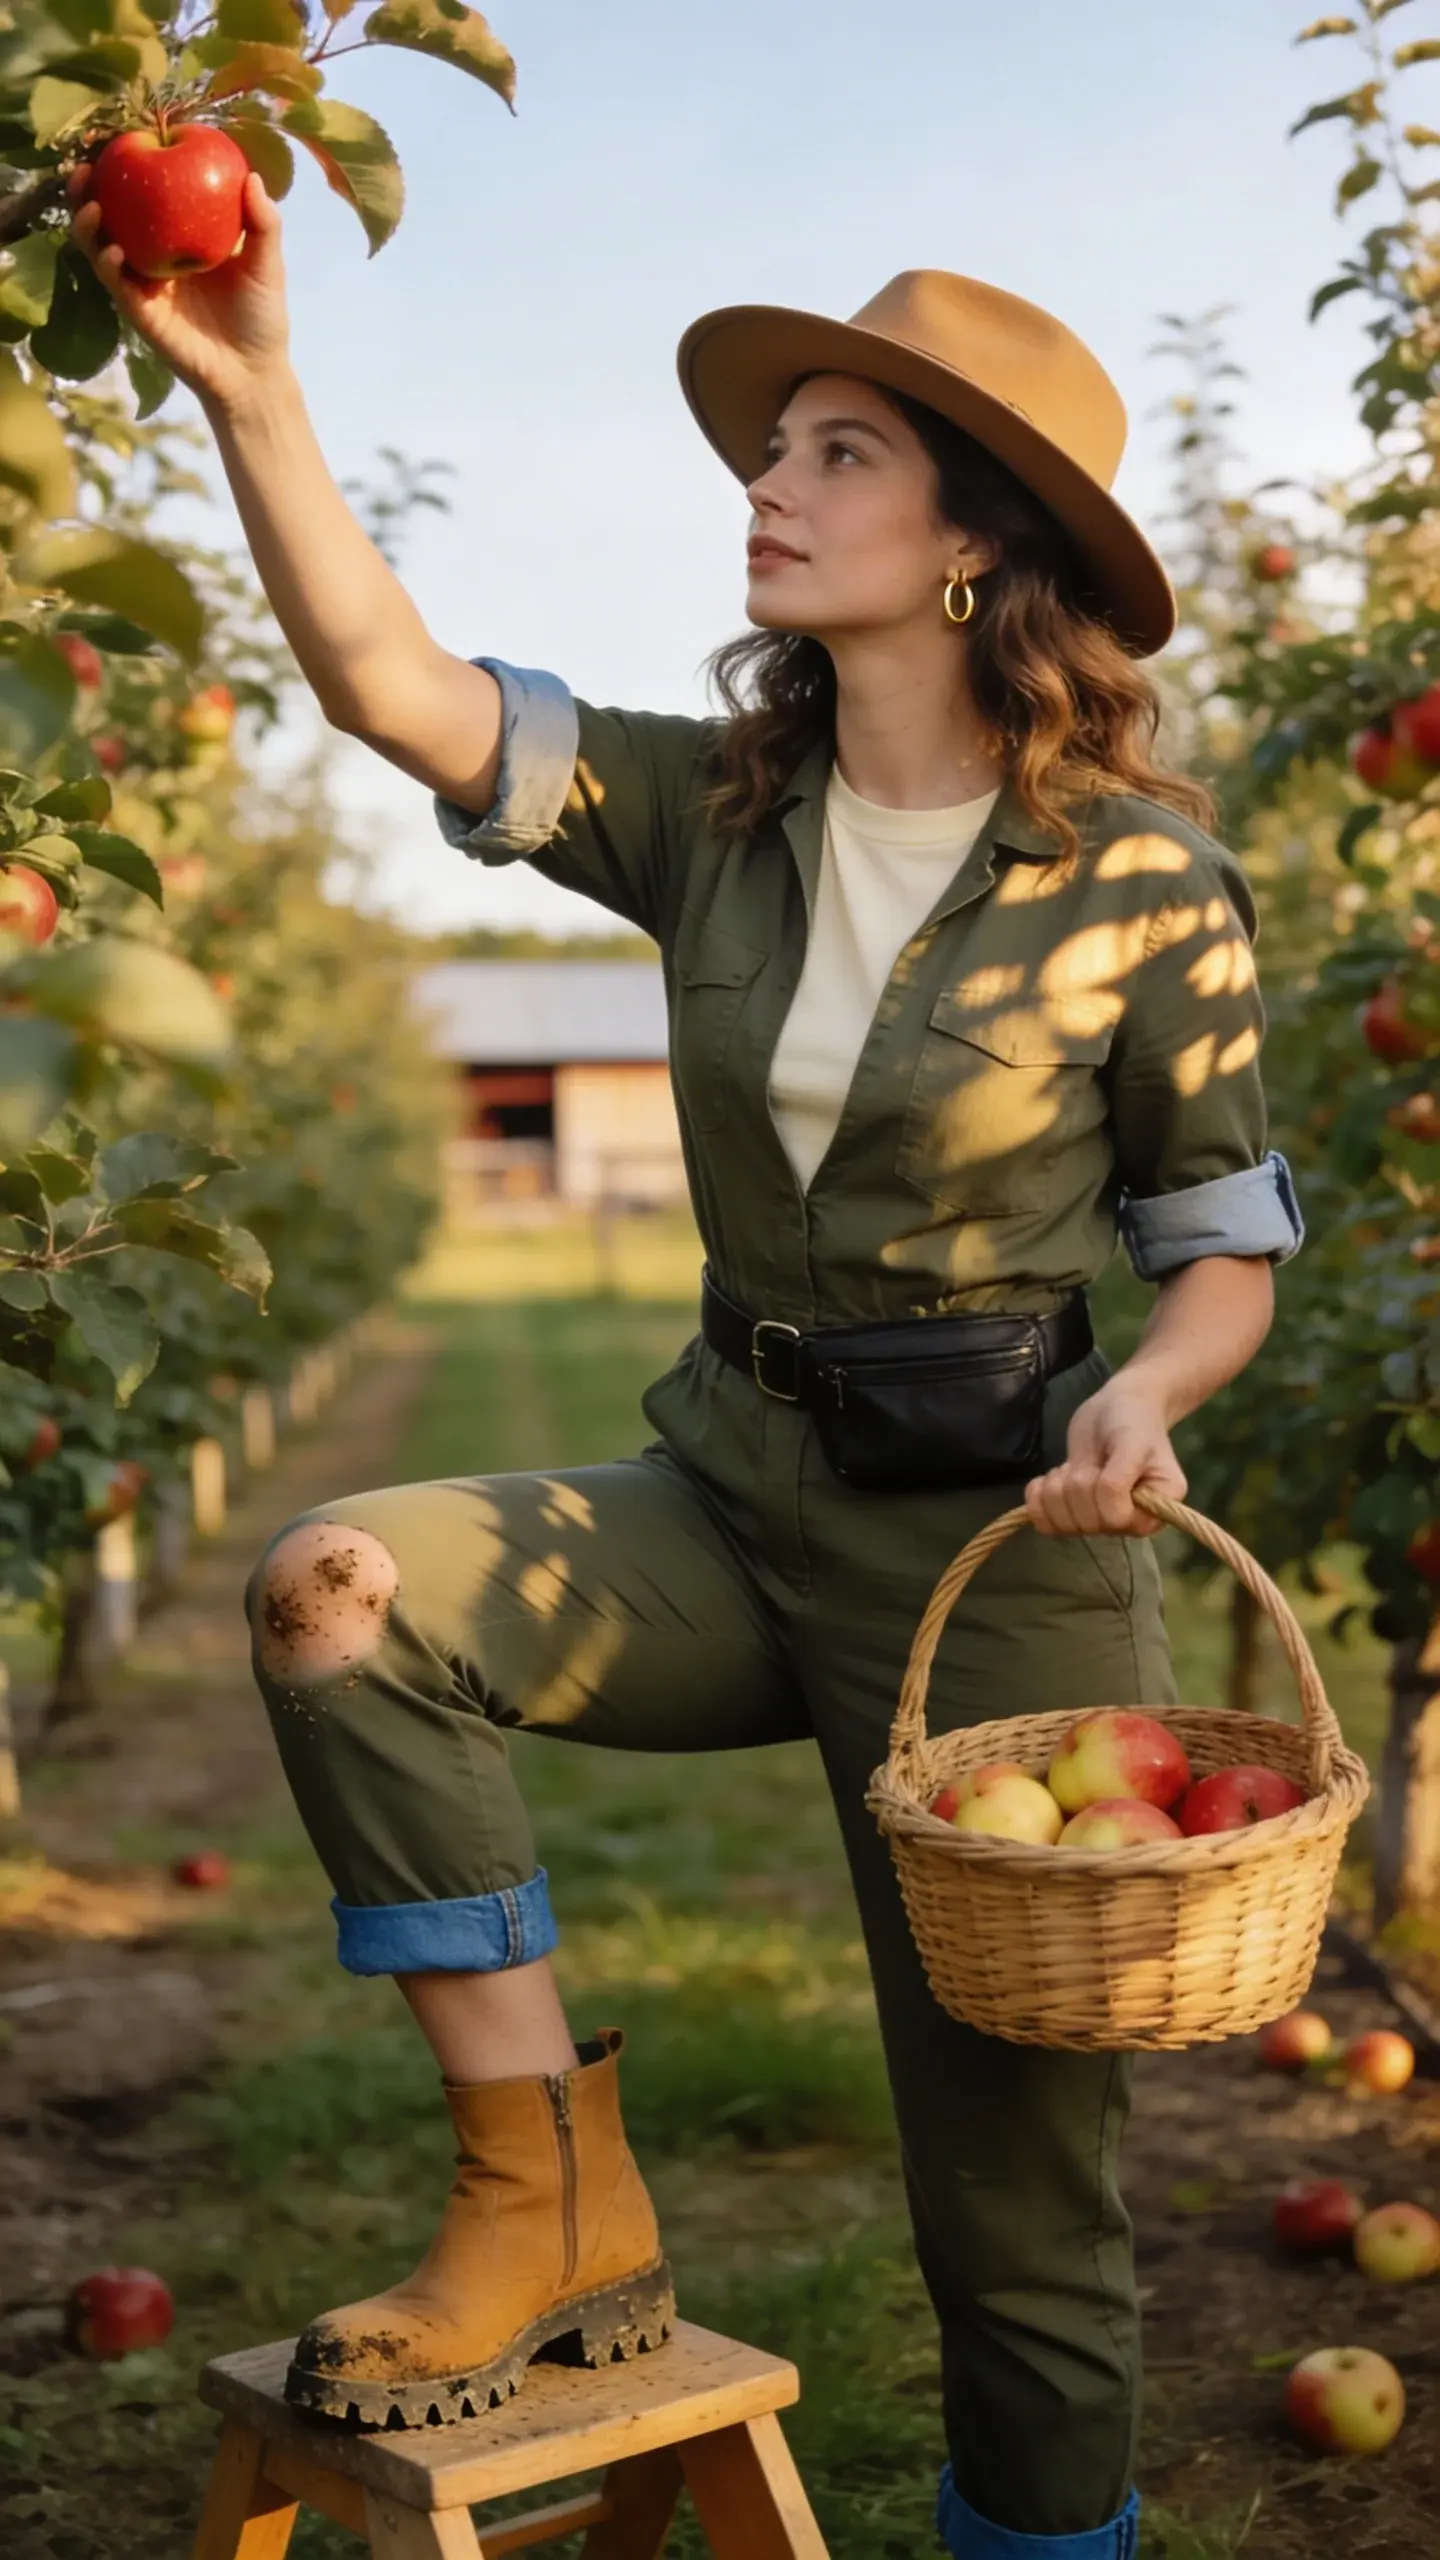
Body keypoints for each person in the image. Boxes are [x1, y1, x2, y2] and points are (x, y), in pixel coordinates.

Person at [76, 177, 1302, 2560]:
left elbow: (1222, 1248)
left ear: (975, 543)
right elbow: (393, 685)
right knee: (345, 1591)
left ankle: (1043, 2534)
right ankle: (543, 2200)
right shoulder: (715, 806)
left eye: (841, 449)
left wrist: (1150, 1394)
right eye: (785, 443)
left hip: (1005, 1555)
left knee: (1015, 2202)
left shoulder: (1146, 881)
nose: (772, 481)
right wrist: (256, 390)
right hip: (729, 1493)